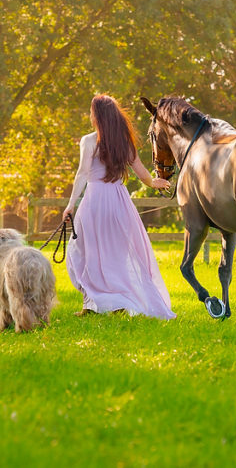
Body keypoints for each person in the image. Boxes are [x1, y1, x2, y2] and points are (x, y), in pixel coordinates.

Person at [61, 94, 176, 319]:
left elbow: (83, 174)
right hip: (119, 201)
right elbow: (140, 170)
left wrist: (70, 205)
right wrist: (153, 182)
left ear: (97, 116)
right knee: (116, 252)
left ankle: (96, 302)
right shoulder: (123, 141)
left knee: (85, 251)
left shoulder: (88, 141)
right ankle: (105, 303)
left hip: (94, 200)